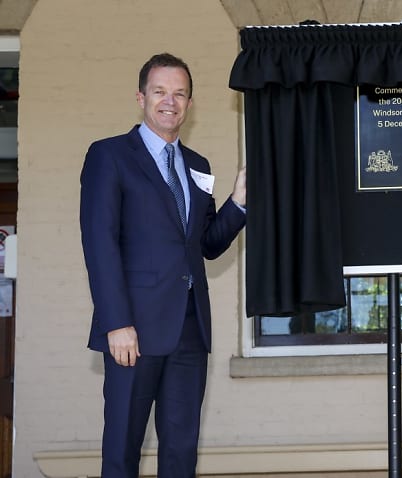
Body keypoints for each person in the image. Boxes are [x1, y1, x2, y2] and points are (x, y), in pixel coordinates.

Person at [79, 52, 247, 477]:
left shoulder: (198, 166)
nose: (170, 101)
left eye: (180, 94)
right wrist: (117, 323)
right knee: (122, 450)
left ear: (190, 103)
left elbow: (206, 245)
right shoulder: (109, 155)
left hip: (190, 331)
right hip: (132, 330)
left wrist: (239, 202)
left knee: (181, 453)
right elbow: (99, 244)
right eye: (160, 92)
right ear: (141, 98)